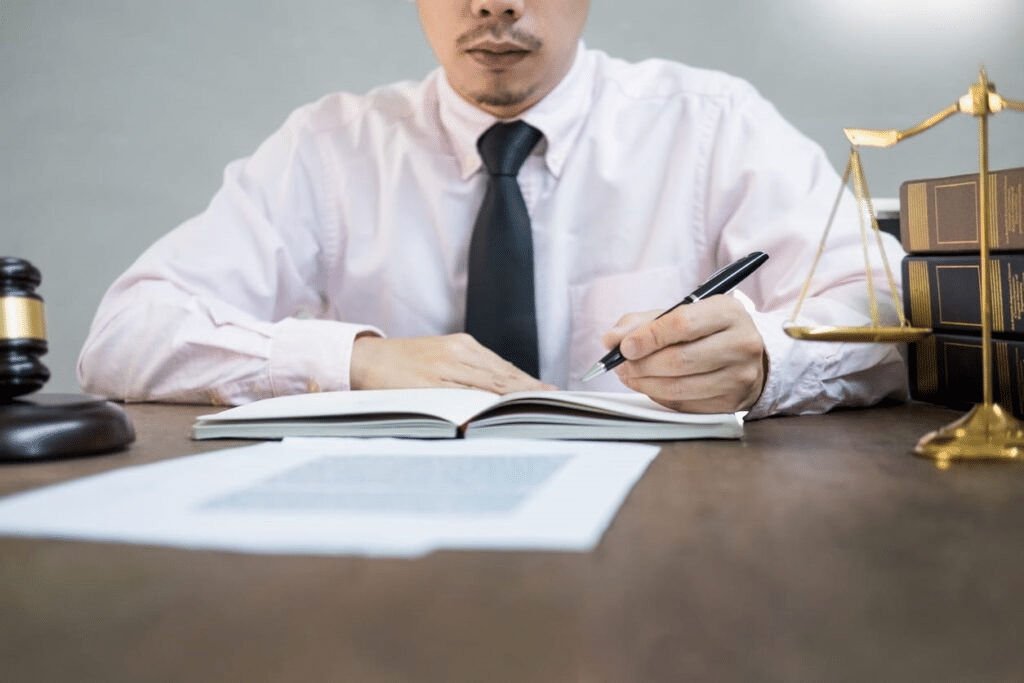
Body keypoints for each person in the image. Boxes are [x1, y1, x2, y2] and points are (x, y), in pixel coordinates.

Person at [78, 0, 908, 418]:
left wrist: (768, 357)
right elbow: (123, 334)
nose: (493, 2)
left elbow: (892, 306)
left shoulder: (715, 125)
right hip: (389, 542)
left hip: (665, 532)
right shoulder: (328, 148)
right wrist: (359, 361)